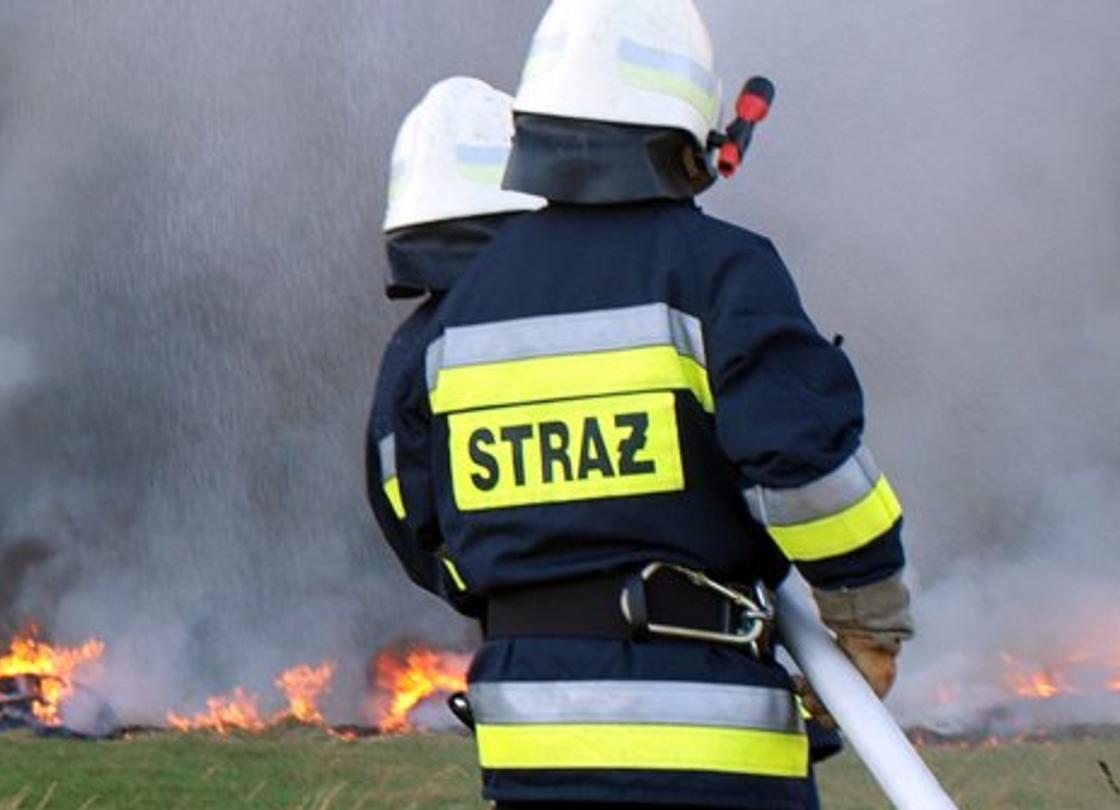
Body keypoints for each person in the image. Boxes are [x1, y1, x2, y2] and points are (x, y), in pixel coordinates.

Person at [391, 1, 913, 807]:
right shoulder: (716, 275)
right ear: (686, 130)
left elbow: (430, 528)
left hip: (530, 747)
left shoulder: (455, 317)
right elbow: (807, 468)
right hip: (709, 745)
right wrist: (867, 610)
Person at [367, 77, 544, 609]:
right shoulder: (621, 300)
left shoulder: (414, 351)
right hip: (691, 646)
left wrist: (489, 589)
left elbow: (403, 508)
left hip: (520, 656)